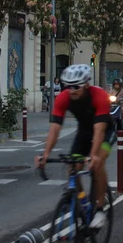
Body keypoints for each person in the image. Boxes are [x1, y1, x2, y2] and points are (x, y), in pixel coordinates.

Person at [36, 64, 116, 229]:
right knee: (73, 167)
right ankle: (81, 202)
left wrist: (93, 155)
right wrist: (45, 153)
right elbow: (55, 127)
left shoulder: (99, 96)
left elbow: (99, 130)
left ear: (86, 84)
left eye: (76, 86)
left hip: (105, 129)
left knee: (98, 162)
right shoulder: (64, 98)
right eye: (68, 86)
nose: (72, 90)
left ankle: (100, 209)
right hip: (84, 131)